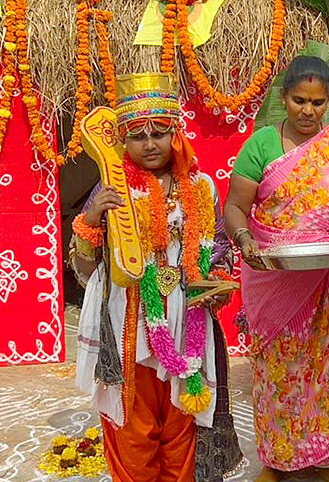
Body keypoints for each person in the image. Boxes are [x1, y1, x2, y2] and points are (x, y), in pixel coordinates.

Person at [71, 72, 243, 482]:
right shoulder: (110, 189)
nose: (150, 144)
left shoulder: (201, 187)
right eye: (137, 135)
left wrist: (216, 281)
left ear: (176, 135)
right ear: (122, 142)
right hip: (128, 323)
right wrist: (91, 219)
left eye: (160, 132)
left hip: (188, 325)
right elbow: (83, 271)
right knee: (133, 432)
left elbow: (218, 249)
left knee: (184, 425)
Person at [224, 56, 329, 482]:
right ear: (284, 99)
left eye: (316, 102)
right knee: (279, 370)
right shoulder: (261, 145)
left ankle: (327, 458)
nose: (307, 111)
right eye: (299, 101)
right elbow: (236, 207)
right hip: (272, 274)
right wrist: (245, 241)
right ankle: (278, 461)